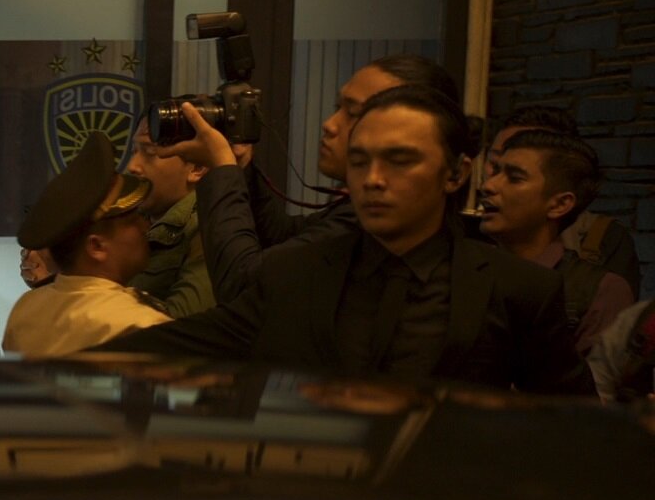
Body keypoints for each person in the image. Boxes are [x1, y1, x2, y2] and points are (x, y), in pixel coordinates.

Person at [100, 87, 593, 396]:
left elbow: (573, 425)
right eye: (359, 162)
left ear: (456, 173)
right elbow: (166, 347)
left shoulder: (517, 290)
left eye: (400, 160)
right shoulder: (295, 274)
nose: (373, 179)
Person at [197, 53, 460, 303]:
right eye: (338, 107)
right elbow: (280, 238)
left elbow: (244, 287)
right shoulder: (353, 209)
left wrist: (221, 167)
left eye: (353, 113)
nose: (330, 124)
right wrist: (241, 167)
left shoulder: (369, 223)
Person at [477, 129, 634, 385]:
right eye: (495, 172)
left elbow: (593, 396)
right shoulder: (471, 268)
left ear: (560, 204)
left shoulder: (598, 290)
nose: (488, 186)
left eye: (514, 178)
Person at [1, 133, 171, 356]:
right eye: (132, 220)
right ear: (96, 247)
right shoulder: (140, 325)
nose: (144, 226)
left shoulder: (25, 310)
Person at [484, 104, 639, 291]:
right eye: (495, 164)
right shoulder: (472, 239)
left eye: (515, 175)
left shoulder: (598, 243)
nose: (489, 184)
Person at [123, 116, 213, 317]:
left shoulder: (207, 229)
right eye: (134, 151)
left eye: (150, 153)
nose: (133, 166)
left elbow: (183, 323)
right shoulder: (128, 219)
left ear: (196, 168)